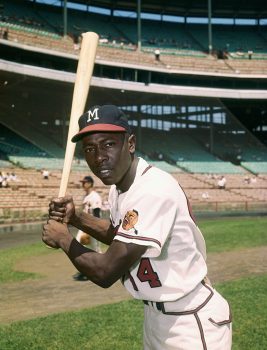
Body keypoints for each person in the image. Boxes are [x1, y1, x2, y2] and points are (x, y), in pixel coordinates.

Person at [43, 104, 232, 350]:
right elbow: (119, 236)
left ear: (130, 144)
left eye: (108, 144)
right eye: (90, 148)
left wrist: (63, 239)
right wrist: (77, 217)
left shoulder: (152, 189)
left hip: (190, 317)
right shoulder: (119, 187)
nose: (99, 157)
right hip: (157, 317)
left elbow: (106, 271)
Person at [73, 175, 102, 281]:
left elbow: (97, 214)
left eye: (84, 182)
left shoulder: (95, 197)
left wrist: (93, 230)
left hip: (93, 226)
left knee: (95, 250)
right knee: (78, 246)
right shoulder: (86, 197)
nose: (83, 184)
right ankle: (84, 270)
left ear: (90, 183)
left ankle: (100, 270)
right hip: (84, 226)